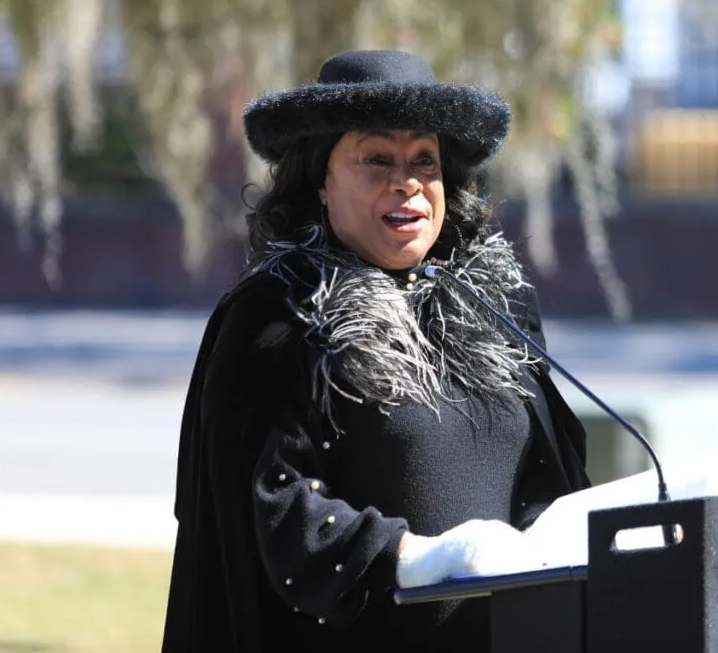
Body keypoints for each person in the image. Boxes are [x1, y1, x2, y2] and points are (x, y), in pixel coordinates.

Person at [160, 49, 591, 652]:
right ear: (321, 181)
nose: (407, 182)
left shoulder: (497, 309)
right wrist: (410, 556)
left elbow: (547, 480)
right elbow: (271, 507)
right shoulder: (276, 318)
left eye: (425, 161)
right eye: (376, 159)